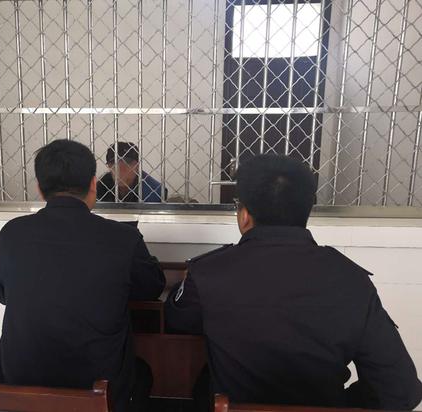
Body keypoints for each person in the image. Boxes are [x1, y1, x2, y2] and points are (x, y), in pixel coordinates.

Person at [165, 154, 422, 411]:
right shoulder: (352, 280)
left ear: (244, 216)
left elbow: (177, 322)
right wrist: (339, 405)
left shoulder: (209, 272)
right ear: (306, 211)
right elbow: (401, 391)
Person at [0, 140, 166, 412]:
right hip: (97, 393)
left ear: (40, 188)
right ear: (93, 184)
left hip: (22, 388)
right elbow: (151, 288)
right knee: (143, 372)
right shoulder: (123, 238)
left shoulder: (13, 233)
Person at [97, 142, 164, 202]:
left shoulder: (154, 191)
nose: (121, 169)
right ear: (109, 166)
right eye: (115, 163)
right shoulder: (100, 186)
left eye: (127, 163)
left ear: (137, 166)